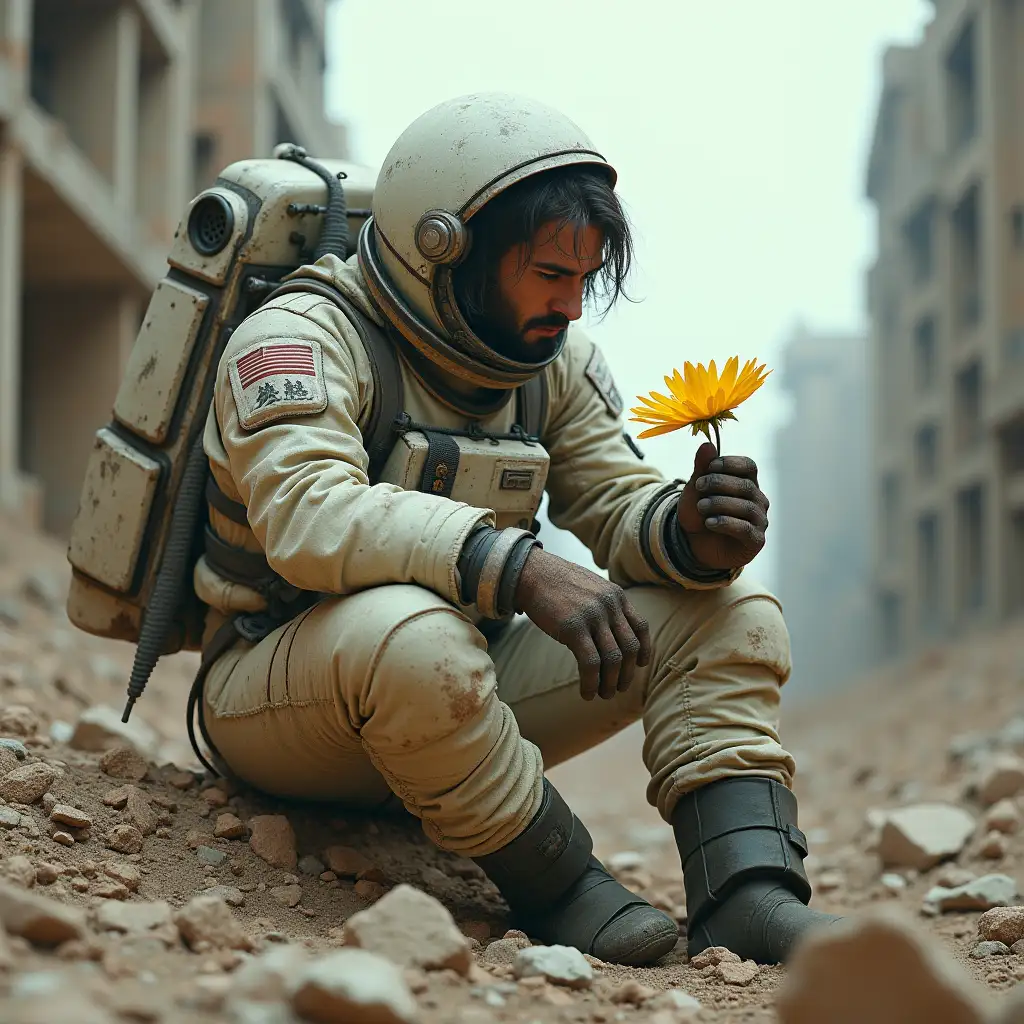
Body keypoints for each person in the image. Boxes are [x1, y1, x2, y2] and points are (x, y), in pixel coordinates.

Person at [193, 92, 840, 967]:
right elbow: (311, 514)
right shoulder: (299, 339)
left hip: (463, 686)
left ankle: (748, 892)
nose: (572, 306)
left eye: (584, 279)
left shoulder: (551, 367)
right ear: (447, 252)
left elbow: (613, 500)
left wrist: (687, 533)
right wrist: (520, 568)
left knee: (735, 608)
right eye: (549, 275)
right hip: (286, 698)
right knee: (413, 637)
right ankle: (561, 887)